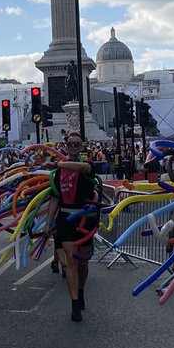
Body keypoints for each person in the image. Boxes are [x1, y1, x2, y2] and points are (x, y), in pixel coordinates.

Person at [43, 133, 100, 322]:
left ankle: (81, 291)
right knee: (71, 261)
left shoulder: (88, 165)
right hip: (66, 218)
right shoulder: (59, 173)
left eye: (76, 144)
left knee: (83, 261)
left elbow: (82, 167)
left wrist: (57, 164)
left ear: (81, 146)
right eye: (70, 144)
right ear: (66, 146)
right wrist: (48, 222)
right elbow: (54, 198)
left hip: (85, 219)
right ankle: (74, 303)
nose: (73, 146)